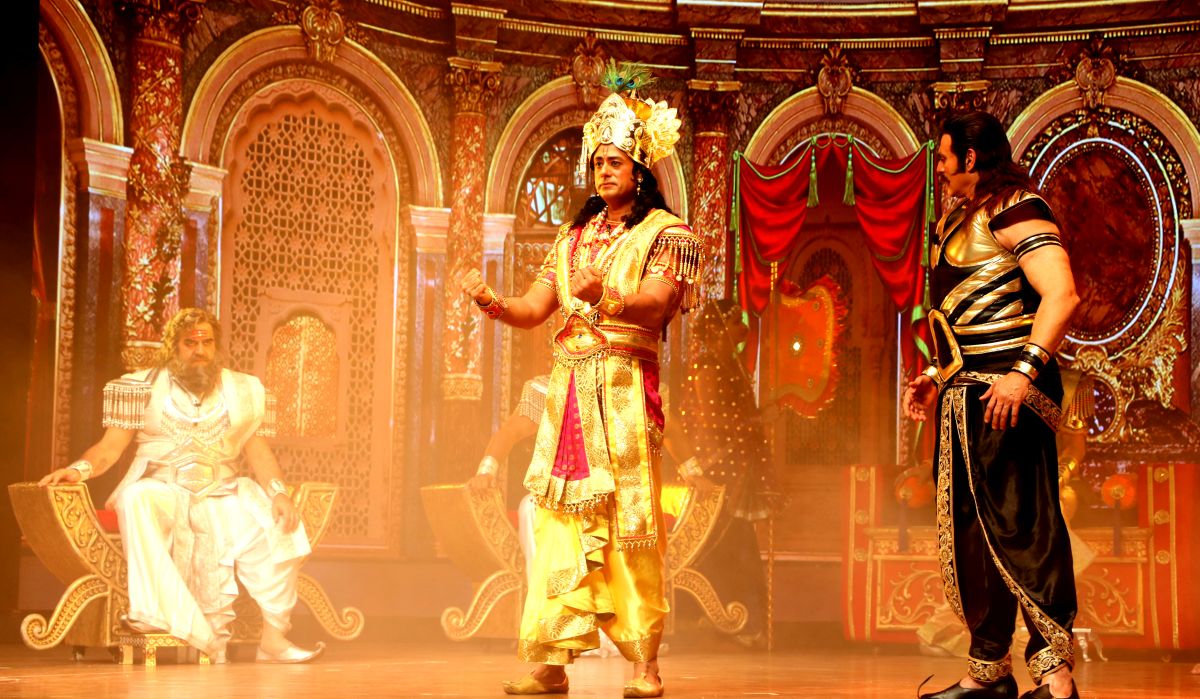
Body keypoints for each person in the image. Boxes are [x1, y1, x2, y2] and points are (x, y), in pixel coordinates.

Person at [461, 63, 700, 698]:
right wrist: (492, 302)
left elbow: (659, 304)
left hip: (623, 392)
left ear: (640, 170)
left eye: (615, 162)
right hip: (568, 393)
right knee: (557, 521)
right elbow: (534, 309)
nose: (603, 171)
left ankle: (645, 664)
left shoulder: (666, 234)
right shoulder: (570, 237)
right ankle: (551, 661)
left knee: (629, 521)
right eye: (597, 162)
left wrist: (609, 296)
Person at [904, 112, 1081, 699]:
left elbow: (1061, 294)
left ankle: (1056, 678)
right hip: (966, 399)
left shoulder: (1015, 209)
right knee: (973, 536)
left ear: (971, 158)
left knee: (1020, 527)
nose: (940, 169)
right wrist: (935, 375)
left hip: (1009, 398)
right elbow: (964, 320)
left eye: (944, 158)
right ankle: (988, 673)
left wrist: (1022, 374)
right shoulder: (957, 221)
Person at [39, 308, 322, 664]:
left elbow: (258, 451)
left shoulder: (243, 390)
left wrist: (279, 492)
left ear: (216, 346)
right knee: (135, 497)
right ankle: (155, 613)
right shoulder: (140, 386)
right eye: (190, 343)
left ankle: (274, 639)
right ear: (173, 347)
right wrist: (77, 470)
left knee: (280, 528)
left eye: (207, 342)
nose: (199, 350)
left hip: (222, 493)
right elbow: (109, 449)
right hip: (166, 491)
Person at [671, 299, 772, 645]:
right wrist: (756, 421)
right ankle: (726, 620)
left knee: (739, 541)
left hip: (737, 467)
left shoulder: (733, 367)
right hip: (716, 470)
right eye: (735, 323)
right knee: (726, 543)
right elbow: (713, 422)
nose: (743, 329)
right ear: (718, 330)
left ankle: (744, 621)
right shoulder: (707, 369)